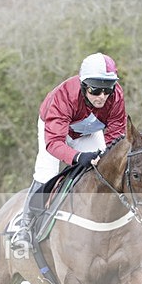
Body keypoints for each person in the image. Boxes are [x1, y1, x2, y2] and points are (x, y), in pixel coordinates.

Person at [11, 52, 126, 247]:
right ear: (83, 85)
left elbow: (116, 137)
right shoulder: (64, 96)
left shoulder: (116, 98)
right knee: (46, 171)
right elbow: (54, 142)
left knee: (106, 168)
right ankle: (25, 227)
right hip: (54, 131)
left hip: (88, 131)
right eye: (96, 90)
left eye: (108, 89)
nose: (102, 96)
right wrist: (78, 156)